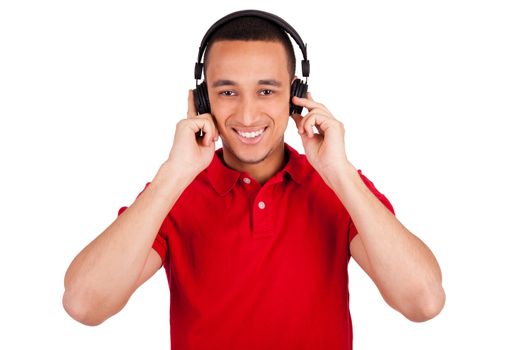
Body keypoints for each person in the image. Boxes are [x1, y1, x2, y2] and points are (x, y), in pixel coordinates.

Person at [63, 9, 445, 349]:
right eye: (227, 91)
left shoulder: (339, 186)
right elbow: (84, 304)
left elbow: (423, 302)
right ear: (202, 100)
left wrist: (338, 171)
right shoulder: (173, 192)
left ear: (296, 96)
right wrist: (173, 174)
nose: (247, 115)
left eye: (266, 90)